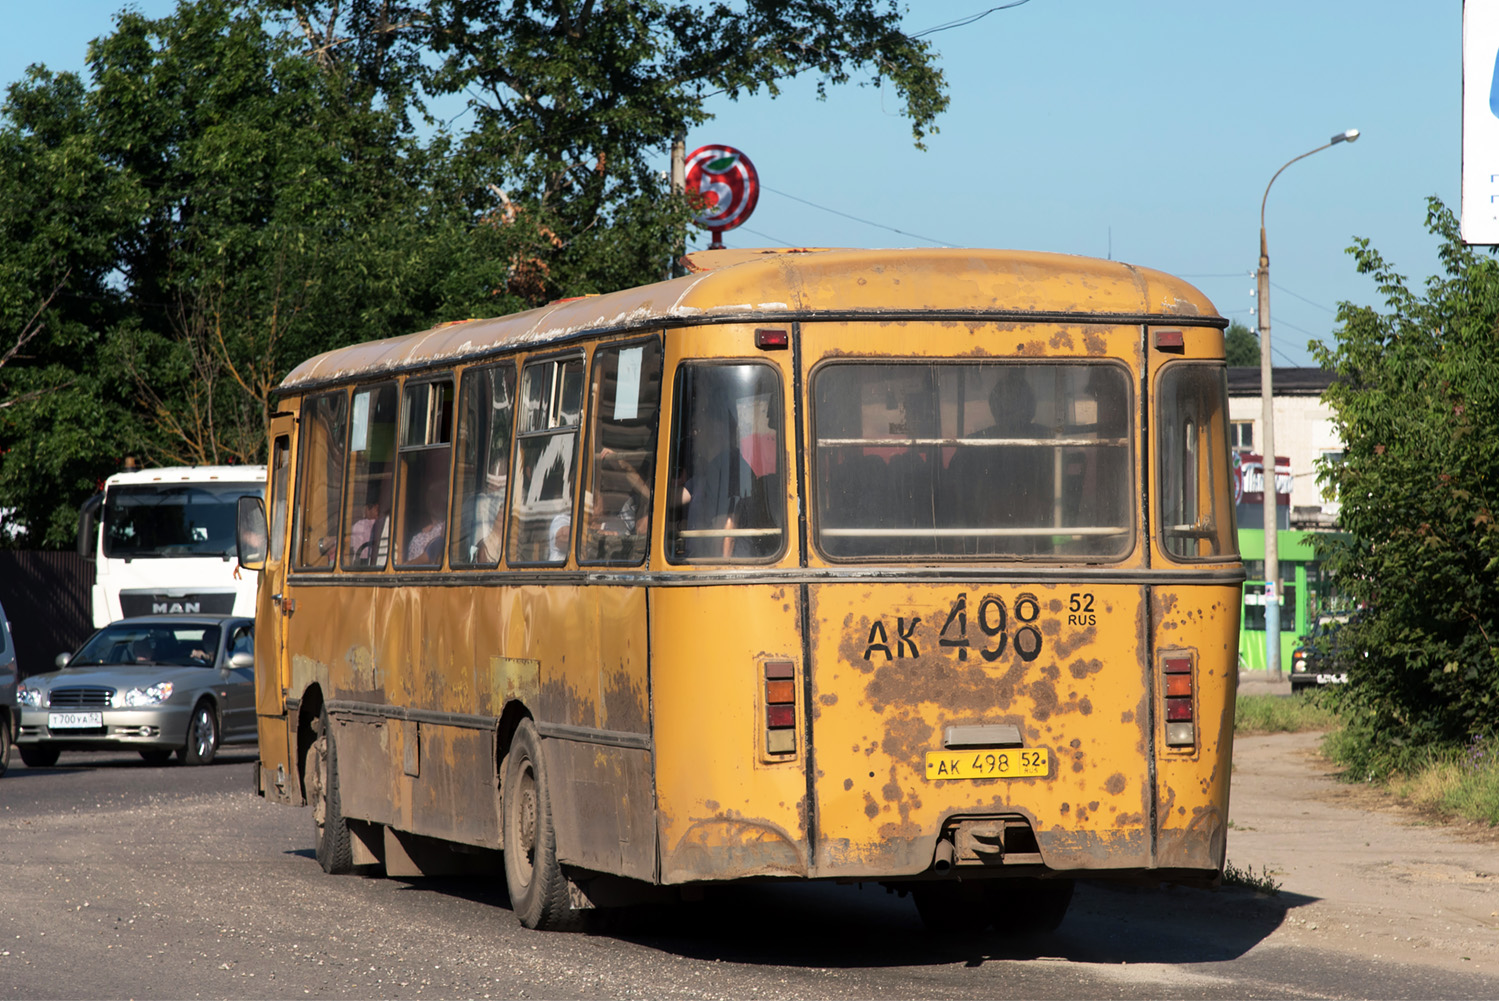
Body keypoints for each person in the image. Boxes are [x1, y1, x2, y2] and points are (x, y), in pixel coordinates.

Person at [675, 406, 754, 559]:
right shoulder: (705, 474)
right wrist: (630, 473)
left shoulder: (732, 464)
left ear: (718, 429)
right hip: (700, 562)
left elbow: (727, 528)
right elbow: (672, 498)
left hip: (720, 565)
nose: (693, 434)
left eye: (698, 427)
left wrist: (718, 567)